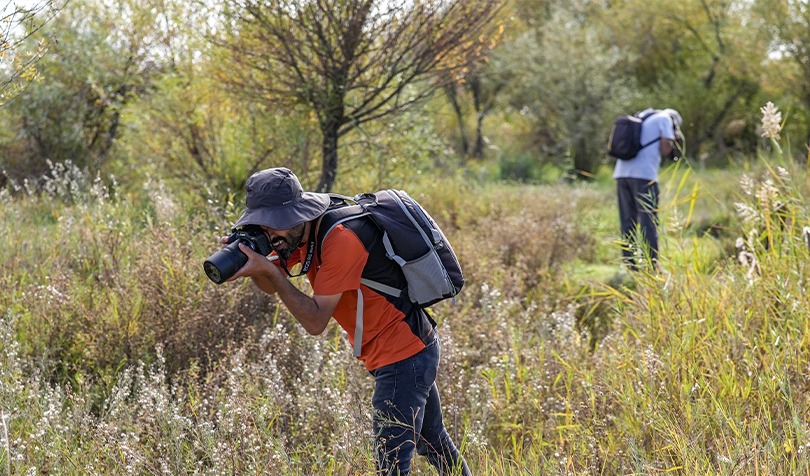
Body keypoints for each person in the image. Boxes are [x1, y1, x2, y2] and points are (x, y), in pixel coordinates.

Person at [219, 167, 471, 476]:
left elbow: (315, 321)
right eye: (264, 225)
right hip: (409, 348)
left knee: (391, 467)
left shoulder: (342, 238)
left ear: (297, 215)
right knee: (433, 442)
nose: (271, 233)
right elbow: (272, 286)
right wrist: (255, 261)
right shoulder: (295, 233)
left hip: (404, 356)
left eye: (276, 225)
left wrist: (269, 270)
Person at [612, 108, 683, 271]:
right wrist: (673, 139)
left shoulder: (643, 115)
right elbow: (666, 149)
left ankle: (630, 264)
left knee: (627, 220)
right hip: (644, 175)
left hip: (622, 174)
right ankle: (652, 265)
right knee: (648, 220)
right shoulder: (665, 119)